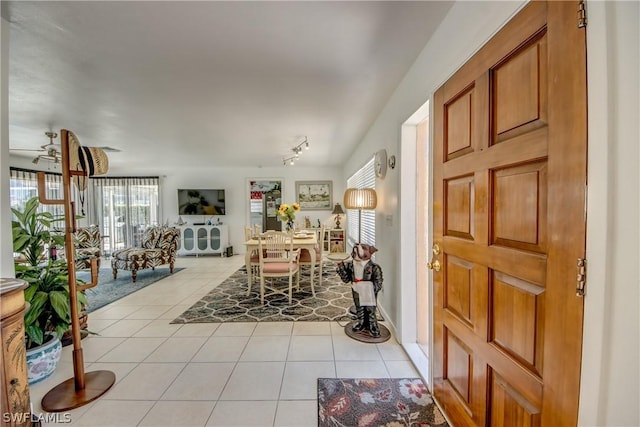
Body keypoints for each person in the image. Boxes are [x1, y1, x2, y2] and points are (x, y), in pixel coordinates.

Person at [336, 243, 383, 337]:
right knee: (359, 307)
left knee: (370, 308)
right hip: (356, 288)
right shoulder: (350, 265)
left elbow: (378, 283)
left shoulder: (374, 268)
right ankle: (361, 321)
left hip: (368, 291)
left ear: (371, 252)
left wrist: (370, 289)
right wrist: (341, 267)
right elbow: (346, 279)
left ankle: (372, 324)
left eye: (364, 248)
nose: (357, 248)